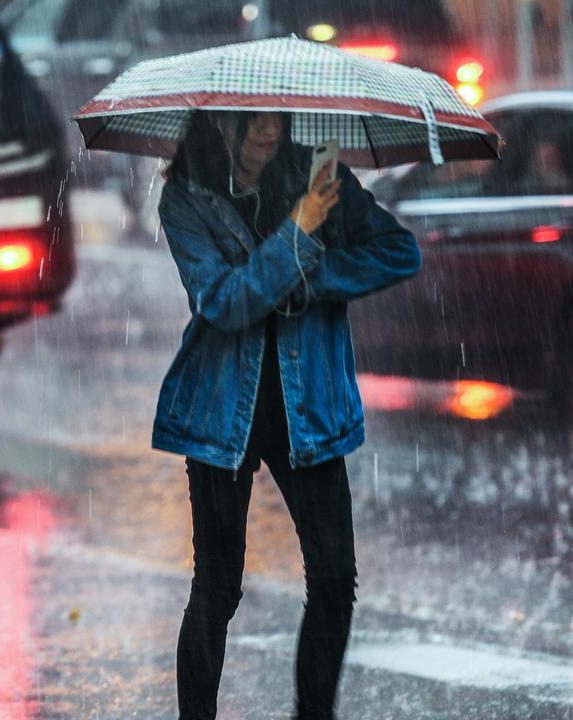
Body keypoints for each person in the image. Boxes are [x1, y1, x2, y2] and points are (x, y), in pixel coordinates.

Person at [154, 109, 421, 719]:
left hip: (310, 405)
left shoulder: (318, 179)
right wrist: (299, 234)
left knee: (333, 579)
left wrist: (313, 276)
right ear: (219, 126)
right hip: (225, 411)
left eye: (277, 119)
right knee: (217, 588)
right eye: (252, 123)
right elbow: (223, 302)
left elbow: (399, 253)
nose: (268, 133)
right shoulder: (185, 197)